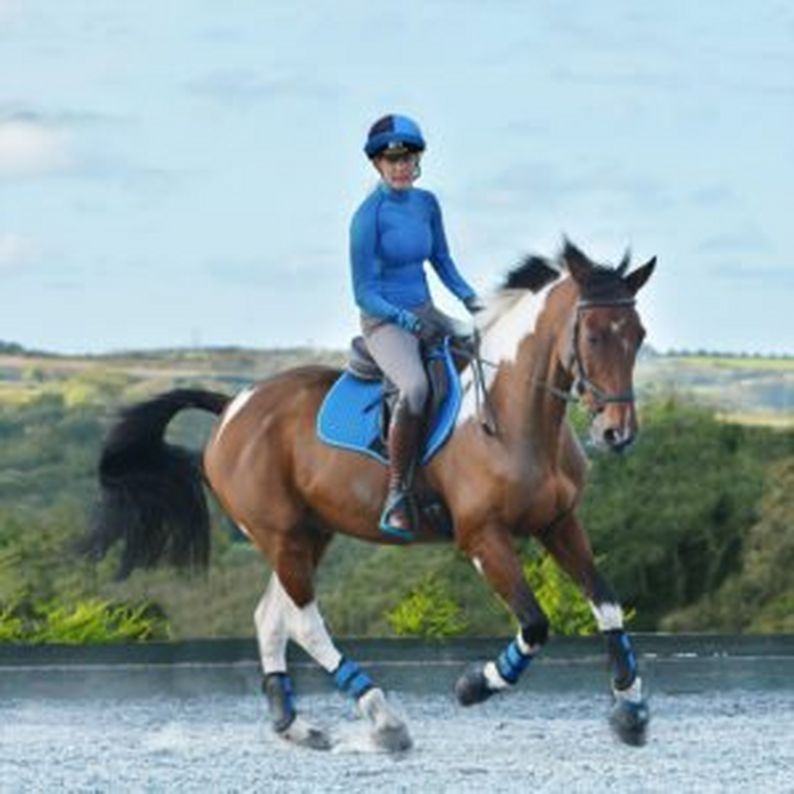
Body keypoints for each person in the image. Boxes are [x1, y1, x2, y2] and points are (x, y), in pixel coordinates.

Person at [349, 113, 484, 538]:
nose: (402, 166)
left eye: (409, 158)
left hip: (426, 309)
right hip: (385, 322)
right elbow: (365, 292)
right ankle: (397, 493)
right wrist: (404, 319)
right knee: (415, 388)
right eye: (393, 160)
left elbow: (441, 260)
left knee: (487, 353)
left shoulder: (427, 204)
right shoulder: (367, 217)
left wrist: (471, 299)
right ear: (377, 165)